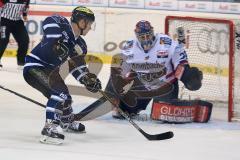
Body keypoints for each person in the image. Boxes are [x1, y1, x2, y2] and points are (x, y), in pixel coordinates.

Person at [23, 6, 102, 145]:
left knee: (66, 98)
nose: (90, 28)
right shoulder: (62, 24)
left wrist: (87, 79)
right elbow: (49, 21)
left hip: (50, 72)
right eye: (89, 24)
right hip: (34, 67)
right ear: (82, 22)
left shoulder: (80, 45)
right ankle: (50, 128)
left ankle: (66, 122)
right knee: (60, 92)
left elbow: (77, 67)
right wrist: (55, 42)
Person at [105, 20, 203, 120]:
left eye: (148, 35)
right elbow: (120, 71)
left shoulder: (167, 43)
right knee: (123, 112)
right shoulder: (129, 46)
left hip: (166, 85)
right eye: (142, 37)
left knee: (164, 115)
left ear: (152, 32)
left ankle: (190, 104)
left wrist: (189, 77)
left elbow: (180, 63)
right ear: (137, 35)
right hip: (143, 86)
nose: (146, 39)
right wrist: (112, 90)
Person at [0, 0, 30, 68]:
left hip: (17, 21)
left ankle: (21, 62)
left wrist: (24, 15)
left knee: (24, 40)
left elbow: (26, 7)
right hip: (4, 20)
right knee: (3, 41)